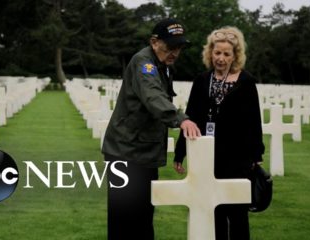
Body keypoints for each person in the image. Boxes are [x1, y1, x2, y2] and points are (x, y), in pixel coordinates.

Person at [102, 18, 201, 240]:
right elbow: (152, 95)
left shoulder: (162, 65)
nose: (175, 52)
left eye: (179, 48)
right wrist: (180, 119)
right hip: (126, 152)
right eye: (170, 46)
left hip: (143, 151)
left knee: (143, 216)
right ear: (154, 42)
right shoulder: (144, 63)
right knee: (124, 219)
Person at [173, 26, 265, 240]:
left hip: (237, 158)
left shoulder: (246, 82)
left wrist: (256, 156)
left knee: (238, 213)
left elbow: (254, 121)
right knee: (215, 212)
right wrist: (180, 152)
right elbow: (191, 117)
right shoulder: (202, 80)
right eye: (217, 53)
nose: (221, 58)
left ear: (235, 56)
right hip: (207, 156)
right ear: (210, 53)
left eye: (226, 54)